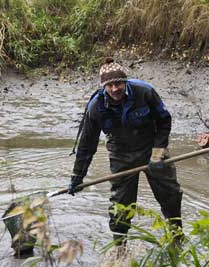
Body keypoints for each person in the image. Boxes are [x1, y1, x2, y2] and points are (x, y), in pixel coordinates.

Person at [68, 57, 183, 247]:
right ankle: (120, 248)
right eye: (110, 85)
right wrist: (77, 176)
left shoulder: (144, 92)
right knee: (120, 207)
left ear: (125, 82)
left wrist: (157, 154)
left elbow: (164, 122)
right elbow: (87, 145)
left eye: (119, 83)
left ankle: (177, 238)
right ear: (104, 87)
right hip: (121, 155)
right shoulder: (96, 107)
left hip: (151, 149)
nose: (115, 89)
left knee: (170, 195)